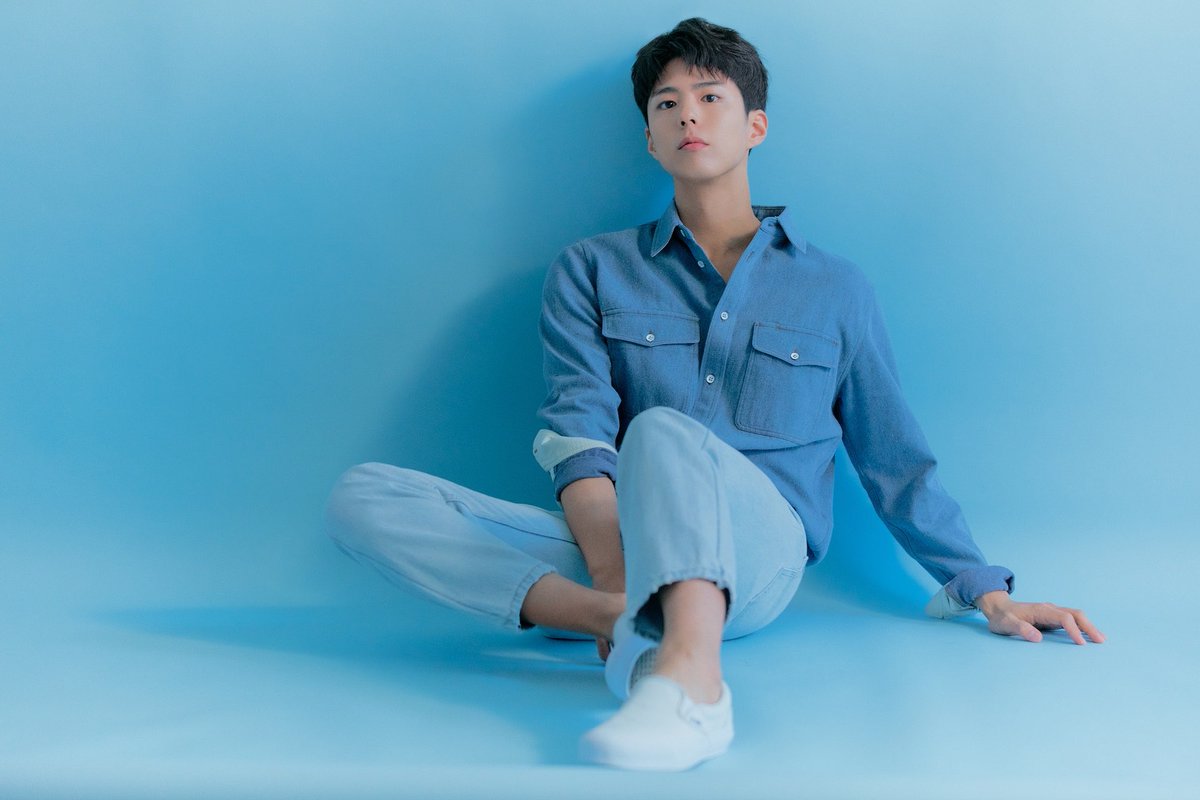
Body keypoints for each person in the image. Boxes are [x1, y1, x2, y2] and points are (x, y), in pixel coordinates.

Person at [324, 17, 1105, 772]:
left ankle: (691, 686)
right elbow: (579, 438)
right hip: (623, 543)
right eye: (667, 104)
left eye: (709, 98)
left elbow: (894, 460)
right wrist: (615, 581)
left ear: (755, 126)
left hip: (756, 558)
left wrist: (985, 592)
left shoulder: (835, 288)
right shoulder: (591, 270)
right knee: (362, 497)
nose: (687, 116)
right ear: (650, 138)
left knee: (660, 431)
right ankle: (618, 619)